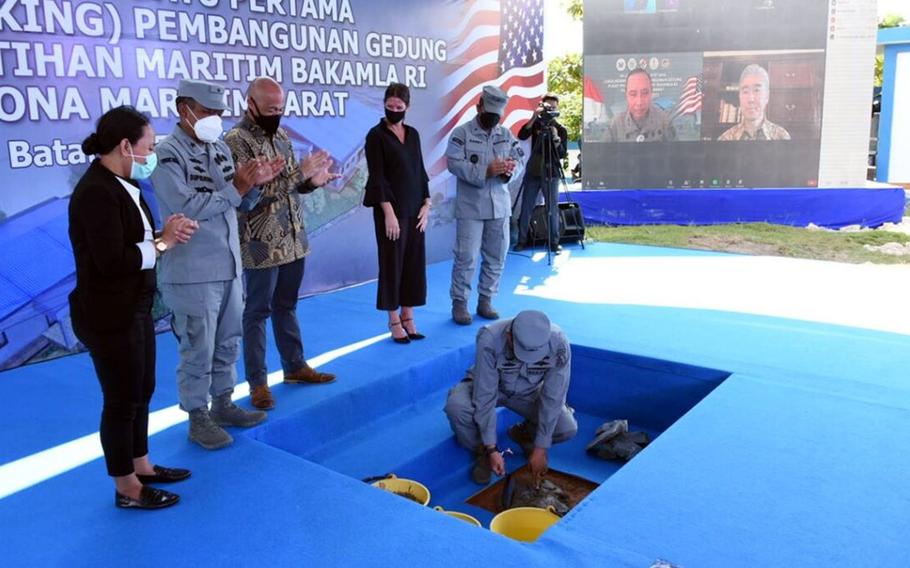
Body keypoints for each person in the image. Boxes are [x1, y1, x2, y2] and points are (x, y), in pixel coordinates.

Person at [69, 106, 199, 509]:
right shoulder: (96, 192)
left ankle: (141, 463)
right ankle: (126, 488)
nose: (152, 153)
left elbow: (129, 243)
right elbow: (111, 261)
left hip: (135, 305)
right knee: (121, 398)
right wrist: (163, 244)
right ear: (126, 146)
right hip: (108, 312)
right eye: (149, 145)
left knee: (141, 389)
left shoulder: (124, 185)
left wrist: (163, 233)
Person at [151, 79, 283, 449]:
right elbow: (188, 207)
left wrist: (255, 184)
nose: (215, 119)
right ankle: (198, 417)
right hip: (192, 272)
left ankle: (224, 403)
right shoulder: (167, 155)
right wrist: (237, 189)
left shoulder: (220, 148)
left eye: (219, 113)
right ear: (184, 110)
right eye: (207, 112)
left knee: (228, 341)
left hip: (229, 265)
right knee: (198, 347)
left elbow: (239, 204)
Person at [224, 77, 340, 411]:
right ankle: (257, 384)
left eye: (281, 108)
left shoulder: (283, 136)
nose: (277, 114)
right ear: (251, 104)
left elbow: (291, 188)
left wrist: (312, 182)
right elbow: (249, 197)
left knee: (286, 305)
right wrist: (298, 174)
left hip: (292, 238)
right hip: (260, 242)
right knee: (257, 312)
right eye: (271, 109)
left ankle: (294, 366)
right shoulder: (236, 142)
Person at [444, 310, 577, 485]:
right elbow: (485, 396)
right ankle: (482, 451)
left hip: (529, 392)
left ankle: (524, 434)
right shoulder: (489, 338)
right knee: (457, 408)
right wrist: (491, 448)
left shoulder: (559, 343)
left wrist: (541, 447)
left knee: (566, 428)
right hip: (491, 387)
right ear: (509, 336)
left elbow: (554, 395)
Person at [445, 85, 525, 325]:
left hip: (499, 206)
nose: (492, 120)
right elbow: (453, 163)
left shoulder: (506, 135)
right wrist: (484, 171)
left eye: (496, 117)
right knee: (466, 257)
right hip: (471, 207)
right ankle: (460, 303)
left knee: (496, 256)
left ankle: (486, 300)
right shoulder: (461, 134)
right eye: (488, 115)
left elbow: (520, 159)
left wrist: (510, 172)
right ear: (479, 106)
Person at [363, 83, 432, 344]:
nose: (393, 110)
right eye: (389, 106)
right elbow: (377, 177)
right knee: (392, 265)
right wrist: (389, 214)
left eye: (399, 107)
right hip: (391, 212)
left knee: (413, 264)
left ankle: (408, 315)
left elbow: (419, 172)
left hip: (415, 210)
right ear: (383, 105)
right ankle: (393, 320)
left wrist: (426, 205)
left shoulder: (413, 134)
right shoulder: (375, 136)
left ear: (407, 108)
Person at [515, 93, 568, 254]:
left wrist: (556, 138)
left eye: (553, 108)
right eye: (547, 107)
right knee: (526, 207)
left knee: (552, 208)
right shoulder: (536, 125)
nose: (550, 110)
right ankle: (522, 241)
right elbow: (522, 135)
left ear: (557, 109)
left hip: (551, 172)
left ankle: (554, 242)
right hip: (533, 172)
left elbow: (562, 154)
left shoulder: (560, 129)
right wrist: (533, 117)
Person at [718, 64, 791, 141]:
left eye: (757, 90)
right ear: (739, 96)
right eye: (745, 91)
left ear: (767, 96)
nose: (751, 99)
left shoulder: (781, 137)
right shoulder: (725, 139)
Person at [605, 69, 676, 143]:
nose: (639, 102)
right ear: (626, 95)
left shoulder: (664, 122)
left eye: (644, 93)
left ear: (651, 93)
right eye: (633, 94)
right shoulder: (615, 125)